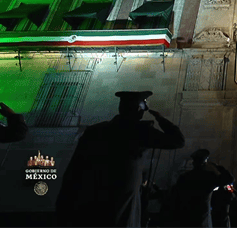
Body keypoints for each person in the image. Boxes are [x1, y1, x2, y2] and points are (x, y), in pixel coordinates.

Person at [56, 91, 185, 228]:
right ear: (138, 110)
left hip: (91, 208)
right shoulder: (139, 131)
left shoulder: (95, 131)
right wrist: (161, 119)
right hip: (123, 209)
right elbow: (178, 141)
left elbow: (74, 170)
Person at [168, 149, 234, 228]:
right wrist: (215, 168)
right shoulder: (208, 178)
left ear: (193, 163)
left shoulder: (184, 177)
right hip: (203, 221)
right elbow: (230, 180)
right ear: (205, 164)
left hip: (185, 220)